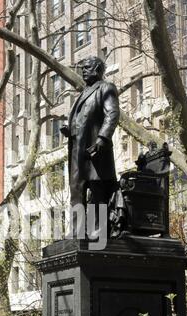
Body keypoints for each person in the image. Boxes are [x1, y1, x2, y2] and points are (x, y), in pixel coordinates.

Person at [60, 56, 120, 237]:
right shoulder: (84, 93)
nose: (83, 71)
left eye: (87, 68)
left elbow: (113, 114)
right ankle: (77, 231)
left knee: (97, 190)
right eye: (82, 68)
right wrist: (70, 129)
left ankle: (98, 231)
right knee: (76, 190)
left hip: (94, 149)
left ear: (97, 68)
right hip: (77, 151)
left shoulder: (106, 88)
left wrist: (102, 139)